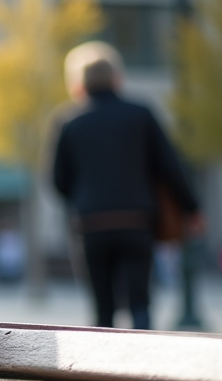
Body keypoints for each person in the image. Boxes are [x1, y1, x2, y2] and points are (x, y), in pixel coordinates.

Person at [51, 41, 201, 330]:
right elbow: (170, 167)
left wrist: (83, 200)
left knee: (102, 310)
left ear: (78, 82)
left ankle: (103, 372)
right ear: (117, 77)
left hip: (91, 224)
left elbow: (58, 179)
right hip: (137, 221)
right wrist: (192, 209)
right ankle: (144, 371)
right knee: (139, 304)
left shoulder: (68, 121)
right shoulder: (141, 114)